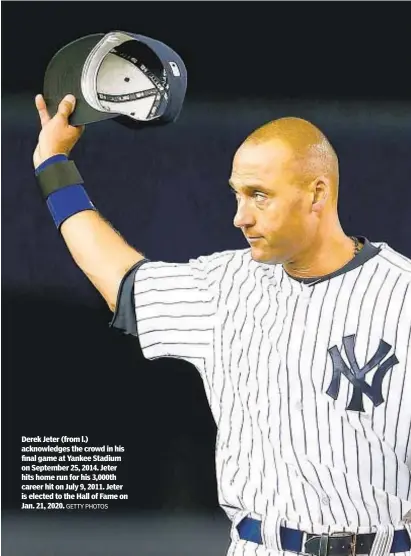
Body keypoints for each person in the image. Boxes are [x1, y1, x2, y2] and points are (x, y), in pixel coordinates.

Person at [33, 94, 411, 556]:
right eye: (237, 193)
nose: (240, 216)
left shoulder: (402, 296)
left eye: (259, 195)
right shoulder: (224, 286)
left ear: (318, 193)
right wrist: (53, 165)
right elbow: (123, 282)